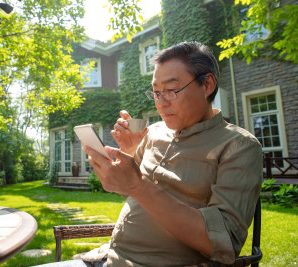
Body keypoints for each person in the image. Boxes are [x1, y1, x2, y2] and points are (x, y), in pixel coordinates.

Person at [39, 41, 263, 267]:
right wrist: (129, 154)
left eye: (171, 90)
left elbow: (222, 243)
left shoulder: (239, 146)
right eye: (156, 92)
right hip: (107, 258)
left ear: (207, 85)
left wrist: (138, 185)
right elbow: (137, 197)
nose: (161, 103)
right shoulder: (153, 132)